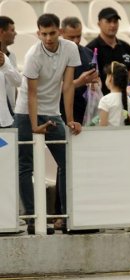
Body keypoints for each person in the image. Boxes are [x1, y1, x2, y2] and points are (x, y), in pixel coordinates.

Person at [13, 13, 82, 234]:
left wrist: (69, 119)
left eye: (52, 33)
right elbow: (31, 94)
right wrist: (34, 126)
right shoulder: (33, 54)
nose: (49, 38)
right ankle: (34, 220)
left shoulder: (70, 48)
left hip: (52, 112)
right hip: (26, 112)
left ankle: (65, 217)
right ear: (38, 33)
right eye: (44, 34)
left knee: (67, 162)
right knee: (25, 166)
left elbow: (69, 86)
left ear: (59, 32)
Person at [60, 16, 100, 125]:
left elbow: (95, 81)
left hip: (85, 112)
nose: (76, 41)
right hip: (61, 113)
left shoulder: (88, 53)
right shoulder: (55, 56)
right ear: (61, 32)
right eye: (71, 37)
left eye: (79, 36)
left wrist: (95, 82)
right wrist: (79, 82)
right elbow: (51, 88)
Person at [86, 7, 130, 95]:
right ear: (99, 24)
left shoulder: (126, 47)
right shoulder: (90, 49)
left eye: (115, 21)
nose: (112, 25)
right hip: (101, 100)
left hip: (124, 99)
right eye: (108, 21)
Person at [0, 16, 21, 128]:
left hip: (8, 116)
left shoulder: (10, 57)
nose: (15, 33)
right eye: (12, 30)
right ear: (1, 31)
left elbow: (17, 82)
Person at [99, 61, 130, 126]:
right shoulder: (128, 100)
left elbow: (102, 127)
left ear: (110, 78)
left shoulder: (105, 100)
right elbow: (125, 117)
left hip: (109, 136)